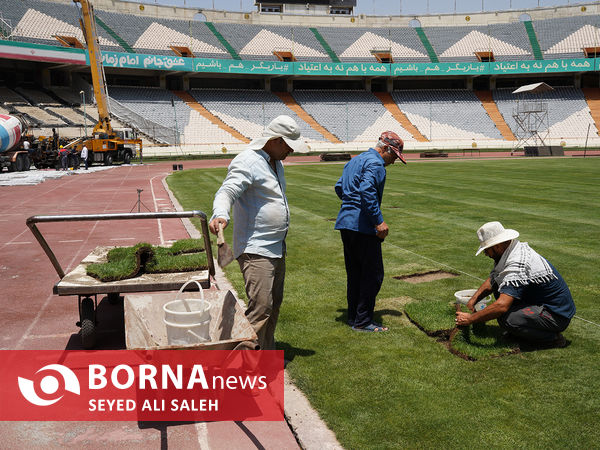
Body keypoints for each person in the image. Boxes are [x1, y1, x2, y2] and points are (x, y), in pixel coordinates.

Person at [208, 115, 307, 350]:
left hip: (275, 246)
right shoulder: (248, 161)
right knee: (261, 308)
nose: (291, 151)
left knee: (272, 307)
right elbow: (227, 191)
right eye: (289, 145)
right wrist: (220, 213)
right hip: (256, 248)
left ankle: (265, 357)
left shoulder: (275, 162)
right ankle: (239, 366)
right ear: (277, 141)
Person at [455, 221, 576, 348]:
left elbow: (501, 306)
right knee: (499, 291)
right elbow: (493, 280)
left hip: (556, 314)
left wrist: (471, 319)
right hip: (543, 304)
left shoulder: (517, 262)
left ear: (497, 246)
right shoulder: (510, 251)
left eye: (487, 249)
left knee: (508, 319)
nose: (486, 254)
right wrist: (472, 301)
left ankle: (553, 338)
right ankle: (523, 330)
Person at [334, 131, 406, 332]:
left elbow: (339, 187)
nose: (393, 162)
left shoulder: (355, 161)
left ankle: (354, 316)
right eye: (393, 156)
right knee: (372, 275)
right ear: (385, 149)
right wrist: (378, 221)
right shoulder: (376, 164)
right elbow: (366, 191)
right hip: (362, 226)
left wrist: (350, 206)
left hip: (346, 223)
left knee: (355, 273)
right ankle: (363, 320)